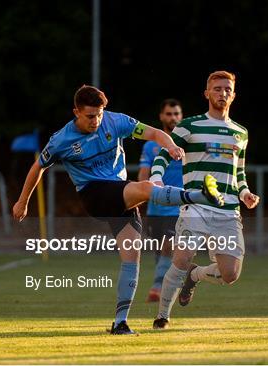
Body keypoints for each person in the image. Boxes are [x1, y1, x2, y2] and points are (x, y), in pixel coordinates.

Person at [12, 85, 224, 335]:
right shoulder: (61, 139)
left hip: (121, 195)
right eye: (90, 116)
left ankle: (120, 323)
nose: (96, 120)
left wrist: (170, 146)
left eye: (100, 114)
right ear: (76, 112)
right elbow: (38, 167)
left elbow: (155, 133)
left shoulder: (116, 121)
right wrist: (22, 201)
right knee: (146, 187)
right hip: (94, 194)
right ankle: (199, 196)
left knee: (131, 257)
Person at [151, 71, 260, 329]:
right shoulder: (189, 126)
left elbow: (239, 173)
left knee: (230, 275)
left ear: (233, 95)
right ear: (207, 93)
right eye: (217, 89)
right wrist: (156, 179)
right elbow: (163, 155)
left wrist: (245, 193)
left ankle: (195, 275)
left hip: (228, 211)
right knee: (181, 258)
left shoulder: (240, 133)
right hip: (196, 207)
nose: (222, 93)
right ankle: (162, 316)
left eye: (227, 89)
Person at [138, 99, 183, 302]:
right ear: (161, 117)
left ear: (181, 117)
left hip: (179, 207)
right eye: (169, 114)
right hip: (155, 208)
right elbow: (143, 174)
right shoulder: (150, 146)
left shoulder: (187, 144)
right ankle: (169, 285)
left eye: (176, 114)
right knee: (160, 253)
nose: (173, 117)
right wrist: (139, 195)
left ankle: (157, 287)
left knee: (169, 245)